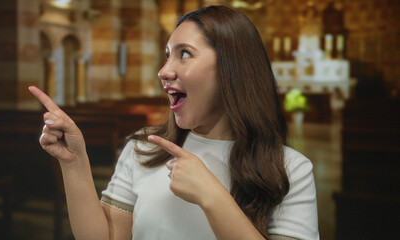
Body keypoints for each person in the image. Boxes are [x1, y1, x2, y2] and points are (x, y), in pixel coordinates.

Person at [29, 5, 319, 240]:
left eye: (184, 54)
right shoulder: (144, 147)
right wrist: (74, 163)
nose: (164, 71)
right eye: (167, 55)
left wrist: (211, 195)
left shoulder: (291, 170)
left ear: (233, 67)